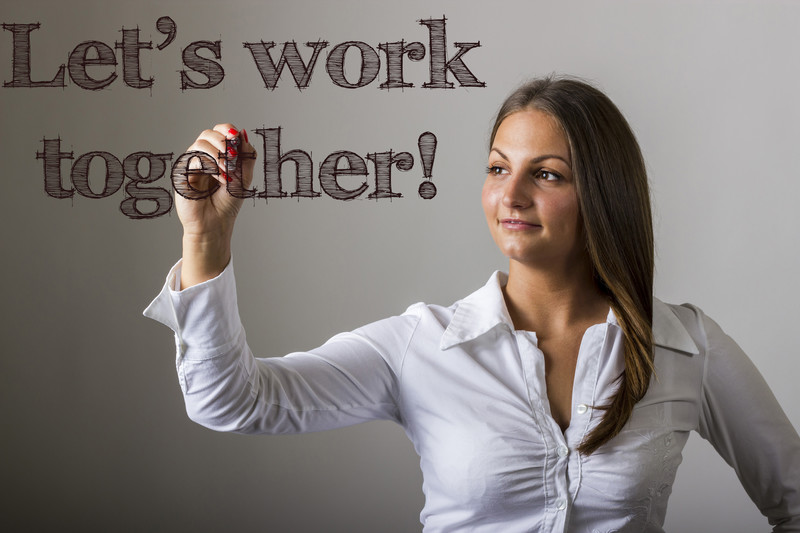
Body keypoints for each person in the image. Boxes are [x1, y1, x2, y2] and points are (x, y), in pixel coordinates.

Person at [144, 76, 800, 532]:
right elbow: (232, 402)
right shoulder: (420, 345)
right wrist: (205, 237)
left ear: (604, 193)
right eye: (497, 168)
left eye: (546, 173)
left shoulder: (685, 345)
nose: (510, 195)